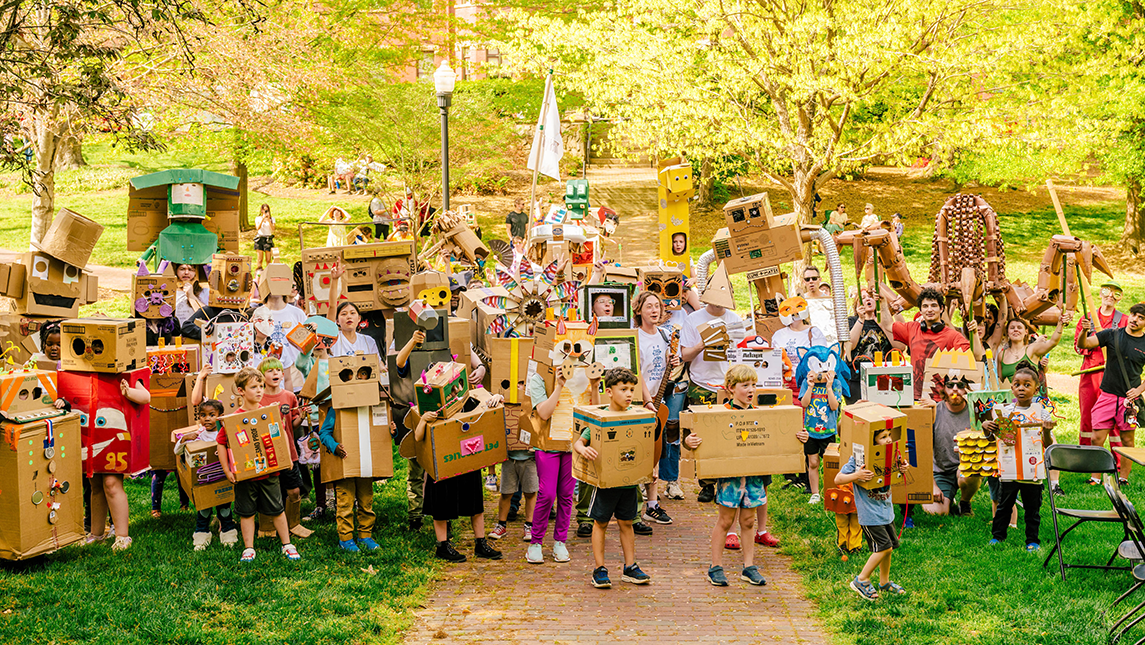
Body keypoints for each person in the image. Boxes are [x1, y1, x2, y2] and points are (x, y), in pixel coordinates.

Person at [684, 365, 769, 587]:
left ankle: (749, 567)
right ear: (730, 388)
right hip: (729, 478)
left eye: (754, 385)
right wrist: (689, 442)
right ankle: (716, 566)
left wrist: (798, 436)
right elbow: (694, 435)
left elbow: (778, 438)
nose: (751, 390)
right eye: (745, 386)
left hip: (753, 476)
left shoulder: (761, 416)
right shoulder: (718, 415)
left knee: (749, 521)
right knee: (725, 520)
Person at [574, 367, 653, 588]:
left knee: (627, 522)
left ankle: (630, 567)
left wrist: (650, 468)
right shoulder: (601, 419)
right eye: (623, 389)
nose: (629, 394)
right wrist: (583, 450)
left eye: (631, 390)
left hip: (628, 481)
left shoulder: (637, 416)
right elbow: (580, 441)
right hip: (605, 483)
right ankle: (599, 569)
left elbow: (645, 447)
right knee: (600, 522)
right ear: (609, 392)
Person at [217, 367, 300, 562]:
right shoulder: (234, 419)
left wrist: (286, 458)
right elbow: (221, 442)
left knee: (278, 509)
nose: (259, 390)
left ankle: (287, 544)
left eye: (261, 386)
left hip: (270, 473)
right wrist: (227, 470)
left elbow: (282, 436)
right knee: (246, 512)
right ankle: (249, 548)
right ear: (241, 391)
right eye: (254, 387)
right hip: (246, 476)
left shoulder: (270, 413)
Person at [414, 394, 505, 562]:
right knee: (440, 504)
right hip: (442, 465)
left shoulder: (470, 401)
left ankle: (480, 543)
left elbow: (486, 408)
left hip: (466, 460)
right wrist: (423, 420)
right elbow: (418, 437)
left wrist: (497, 397)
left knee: (475, 502)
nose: (452, 392)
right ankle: (443, 546)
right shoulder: (430, 407)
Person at [984, 365, 1055, 551]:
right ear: (1012, 388)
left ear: (1036, 389)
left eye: (1026, 384)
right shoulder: (1003, 412)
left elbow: (1047, 444)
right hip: (1009, 469)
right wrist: (986, 427)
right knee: (1004, 505)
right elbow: (993, 438)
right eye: (1017, 384)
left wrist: (1047, 430)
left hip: (1032, 469)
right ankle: (997, 536)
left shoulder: (1041, 412)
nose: (1021, 388)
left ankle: (1032, 540)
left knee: (1032, 509)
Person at [836, 424, 907, 600]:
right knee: (883, 547)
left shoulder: (890, 456)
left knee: (889, 549)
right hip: (870, 515)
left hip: (886, 511)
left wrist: (903, 468)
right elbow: (838, 479)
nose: (889, 439)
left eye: (889, 435)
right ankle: (861, 579)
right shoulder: (858, 459)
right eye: (883, 437)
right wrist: (856, 476)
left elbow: (897, 472)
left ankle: (884, 582)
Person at [1079, 302, 1145, 484]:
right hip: (1107, 395)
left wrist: (1139, 390)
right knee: (1096, 438)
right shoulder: (1112, 334)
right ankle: (1096, 477)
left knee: (1127, 441)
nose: (1135, 320)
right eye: (1134, 315)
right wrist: (1085, 331)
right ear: (1129, 315)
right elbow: (1084, 343)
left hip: (1129, 401)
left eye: (1141, 318)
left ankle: (1123, 479)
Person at [82, 376, 151, 551]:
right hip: (92, 438)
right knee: (95, 484)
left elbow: (146, 397)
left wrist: (128, 392)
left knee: (111, 483)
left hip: (115, 439)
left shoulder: (124, 371)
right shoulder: (85, 372)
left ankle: (122, 536)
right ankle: (96, 534)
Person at [892, 287, 982, 400]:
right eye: (925, 306)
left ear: (941, 309)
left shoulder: (952, 336)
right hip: (915, 397)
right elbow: (887, 325)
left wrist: (974, 334)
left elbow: (977, 357)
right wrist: (883, 303)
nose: (929, 310)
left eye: (934, 305)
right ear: (920, 311)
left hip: (940, 400)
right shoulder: (912, 328)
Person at [526, 360, 576, 563]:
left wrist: (594, 382)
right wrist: (559, 385)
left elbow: (592, 408)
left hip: (571, 444)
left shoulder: (580, 375)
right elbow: (543, 413)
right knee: (546, 494)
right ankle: (535, 543)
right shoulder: (538, 377)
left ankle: (560, 542)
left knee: (566, 494)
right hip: (547, 445)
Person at [174, 400, 239, 550]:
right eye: (203, 415)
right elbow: (177, 452)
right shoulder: (199, 435)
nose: (207, 419)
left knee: (224, 508)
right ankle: (201, 534)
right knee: (204, 509)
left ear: (220, 416)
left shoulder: (225, 433)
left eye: (211, 415)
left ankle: (228, 533)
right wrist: (184, 440)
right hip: (203, 481)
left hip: (223, 478)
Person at [319, 399, 380, 553]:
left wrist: (392, 432)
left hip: (364, 463)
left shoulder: (370, 405)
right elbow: (324, 433)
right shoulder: (336, 408)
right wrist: (334, 446)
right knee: (345, 503)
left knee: (366, 501)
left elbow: (379, 431)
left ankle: (365, 535)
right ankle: (345, 538)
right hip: (344, 464)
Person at [1075, 281, 1128, 451]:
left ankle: (1116, 461)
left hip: (1113, 376)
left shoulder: (1125, 320)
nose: (1110, 296)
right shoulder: (1087, 318)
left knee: (1115, 417)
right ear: (1100, 293)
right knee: (1088, 415)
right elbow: (1078, 346)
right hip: (1090, 374)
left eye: (1116, 293)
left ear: (1119, 298)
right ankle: (1087, 457)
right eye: (1106, 290)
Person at [258, 358, 306, 536]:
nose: (275, 373)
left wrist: (300, 417)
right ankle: (268, 527)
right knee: (270, 492)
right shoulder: (258, 398)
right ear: (262, 377)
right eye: (270, 371)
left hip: (288, 452)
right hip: (267, 453)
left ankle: (294, 524)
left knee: (294, 491)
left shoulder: (289, 396)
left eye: (278, 370)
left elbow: (292, 424)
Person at [921, 375, 981, 516]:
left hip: (966, 467)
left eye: (960, 386)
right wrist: (933, 486)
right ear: (943, 389)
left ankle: (965, 502)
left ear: (967, 389)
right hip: (941, 470)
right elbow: (924, 449)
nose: (955, 389)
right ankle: (949, 495)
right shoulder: (934, 410)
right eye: (950, 385)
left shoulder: (975, 412)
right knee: (936, 512)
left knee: (967, 474)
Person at [797, 349, 846, 505]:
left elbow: (833, 406)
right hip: (811, 431)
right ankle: (815, 493)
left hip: (828, 431)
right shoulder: (806, 383)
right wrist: (810, 386)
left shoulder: (836, 383)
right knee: (812, 463)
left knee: (829, 463)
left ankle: (830, 490)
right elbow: (804, 404)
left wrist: (829, 387)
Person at [845, 288, 901, 404]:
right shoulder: (852, 321)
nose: (867, 299)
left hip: (883, 378)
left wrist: (884, 326)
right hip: (856, 378)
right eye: (863, 298)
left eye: (870, 296)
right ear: (857, 304)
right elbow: (850, 346)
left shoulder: (886, 321)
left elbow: (900, 347)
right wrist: (861, 319)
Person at [254, 203, 275, 272]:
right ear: (261, 210)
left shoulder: (272, 219)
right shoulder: (258, 218)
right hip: (260, 238)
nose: (265, 211)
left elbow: (273, 229)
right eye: (264, 210)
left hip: (268, 239)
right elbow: (258, 228)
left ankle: (269, 273)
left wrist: (269, 220)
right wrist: (262, 219)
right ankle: (259, 273)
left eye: (267, 210)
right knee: (260, 259)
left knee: (268, 259)